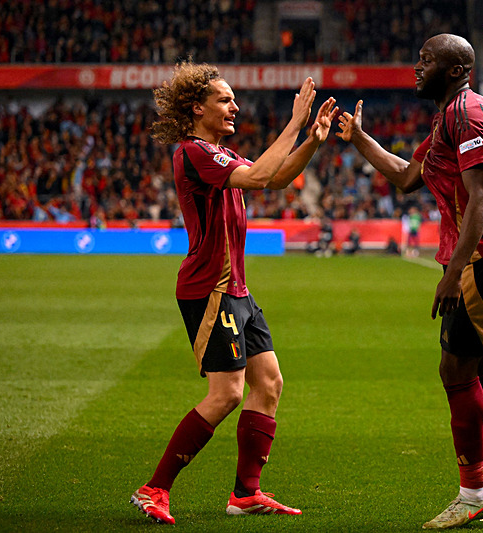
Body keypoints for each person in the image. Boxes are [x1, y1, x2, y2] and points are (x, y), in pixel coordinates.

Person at [337, 34, 483, 529]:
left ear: (457, 69)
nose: (417, 67)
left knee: (455, 372)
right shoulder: (447, 119)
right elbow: (405, 176)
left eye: (427, 60)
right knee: (476, 370)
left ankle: (474, 491)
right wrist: (356, 137)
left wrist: (453, 274)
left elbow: (481, 199)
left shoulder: (468, 114)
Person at [131, 62, 337, 525]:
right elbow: (262, 177)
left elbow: (276, 177)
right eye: (224, 100)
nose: (234, 107)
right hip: (210, 290)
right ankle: (153, 489)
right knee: (226, 393)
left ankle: (246, 492)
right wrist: (294, 123)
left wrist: (312, 142)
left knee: (268, 383)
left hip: (238, 292)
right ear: (196, 108)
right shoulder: (194, 152)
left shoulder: (221, 154)